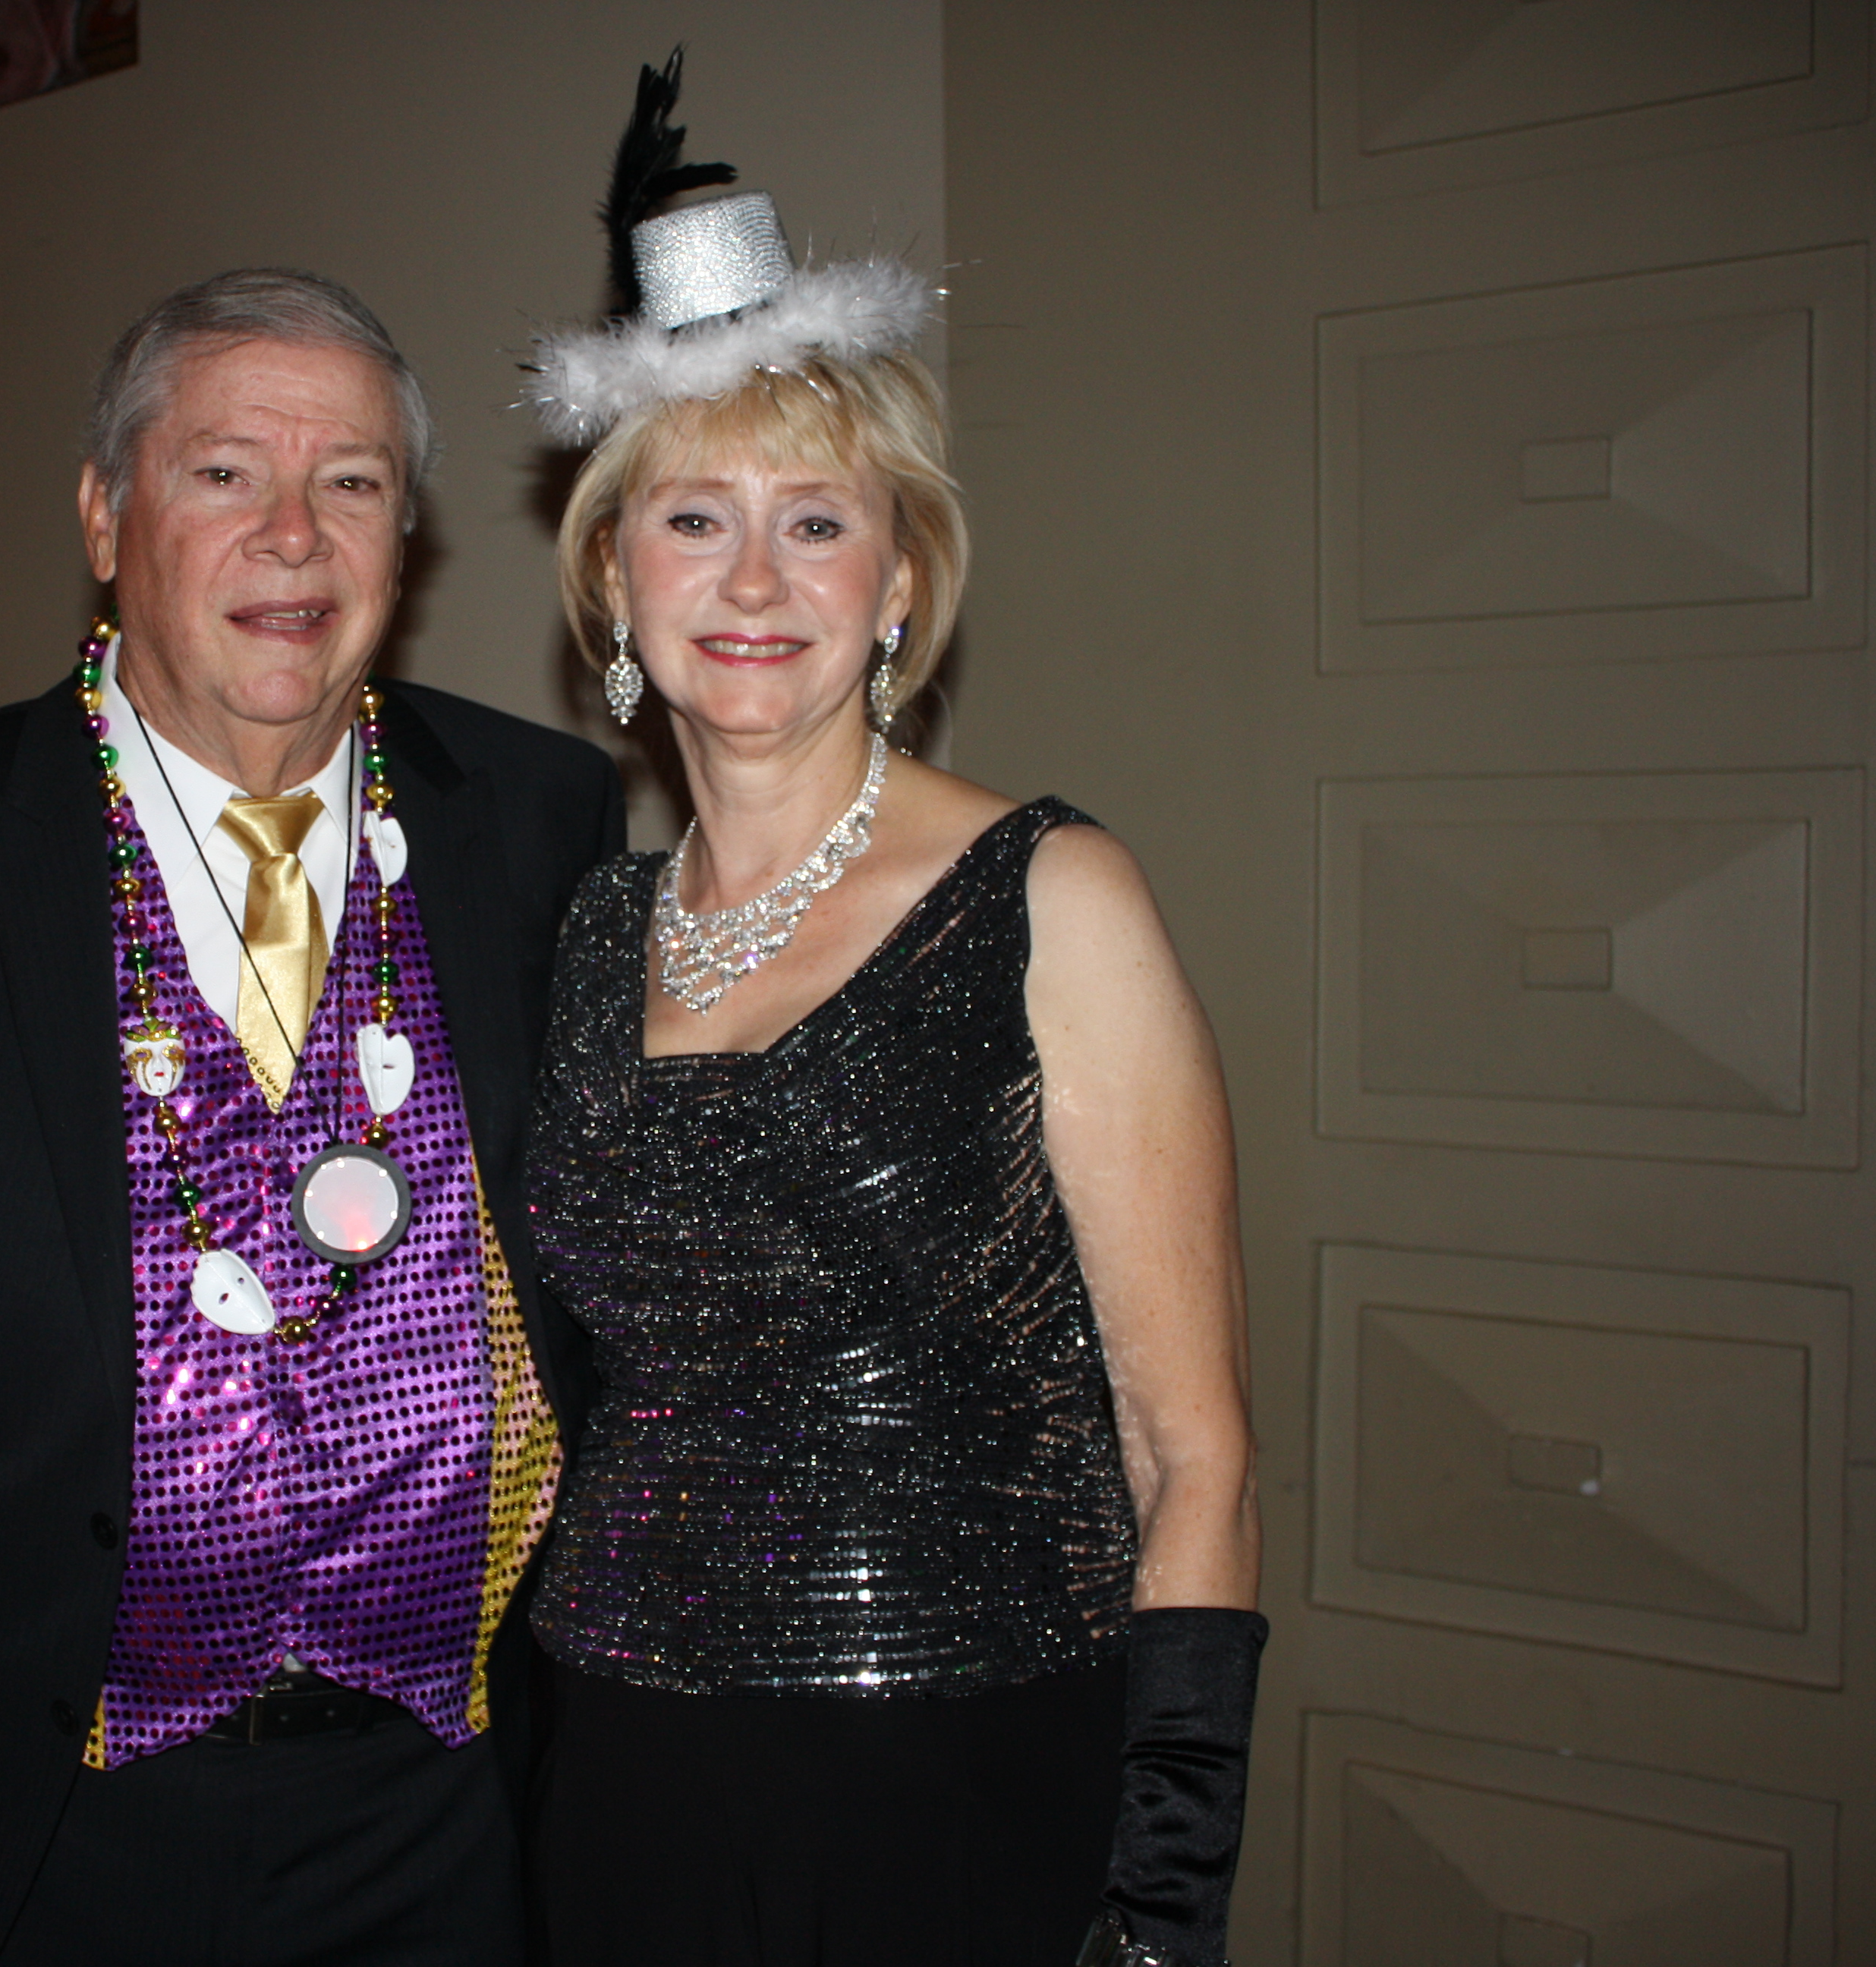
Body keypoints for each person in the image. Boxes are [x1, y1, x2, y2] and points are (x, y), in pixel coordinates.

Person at [0, 268, 622, 1965]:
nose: (294, 535)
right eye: (224, 472)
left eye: (352, 482)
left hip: (449, 1821)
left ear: (405, 540)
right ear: (107, 517)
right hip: (36, 1829)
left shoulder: (542, 821)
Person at [512, 58, 1264, 1967]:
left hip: (965, 1789)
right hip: (615, 1782)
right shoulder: (589, 935)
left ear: (902, 579)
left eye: (817, 522)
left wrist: (1160, 1902)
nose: (755, 579)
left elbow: (1193, 1454)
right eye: (694, 518)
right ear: (614, 572)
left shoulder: (1049, 898)